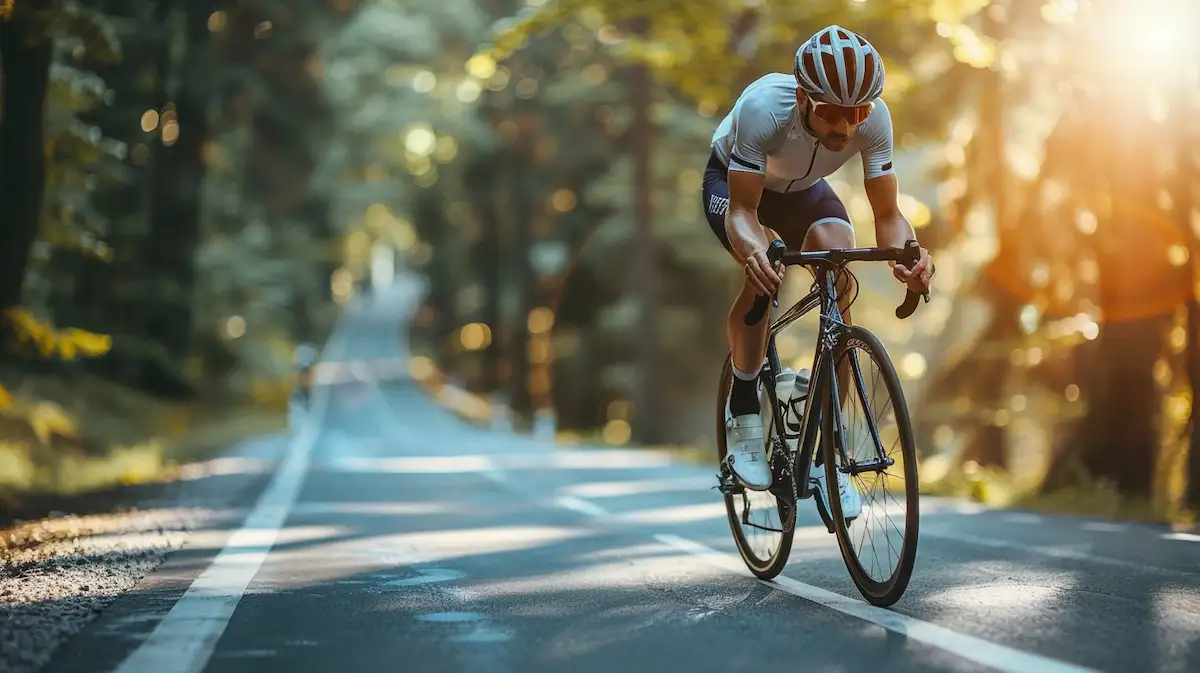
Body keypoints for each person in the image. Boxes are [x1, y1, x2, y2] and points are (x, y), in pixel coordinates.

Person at [702, 25, 935, 512]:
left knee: (840, 267)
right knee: (764, 271)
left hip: (804, 194)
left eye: (858, 114)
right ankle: (744, 404)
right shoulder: (764, 108)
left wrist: (909, 254)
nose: (845, 128)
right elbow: (744, 212)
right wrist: (754, 254)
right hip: (737, 188)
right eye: (831, 112)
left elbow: (889, 217)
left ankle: (828, 445)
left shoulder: (874, 120)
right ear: (805, 98)